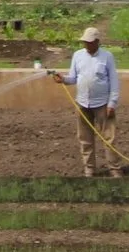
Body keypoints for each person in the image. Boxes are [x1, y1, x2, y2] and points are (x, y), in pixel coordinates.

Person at [50, 24, 121, 177]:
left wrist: (112, 103)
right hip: (82, 103)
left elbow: (114, 81)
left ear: (97, 42)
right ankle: (89, 168)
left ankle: (114, 168)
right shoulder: (78, 55)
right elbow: (73, 78)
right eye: (85, 42)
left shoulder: (107, 57)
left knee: (109, 137)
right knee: (85, 138)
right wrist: (63, 79)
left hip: (102, 103)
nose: (87, 45)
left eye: (89, 42)